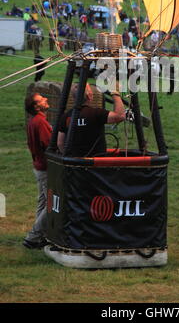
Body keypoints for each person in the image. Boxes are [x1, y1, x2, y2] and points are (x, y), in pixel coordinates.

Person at [57, 83, 125, 157]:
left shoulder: (66, 116)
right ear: (89, 96)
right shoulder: (96, 114)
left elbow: (60, 143)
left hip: (74, 163)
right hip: (96, 163)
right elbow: (120, 116)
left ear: (74, 98)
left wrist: (71, 158)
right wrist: (115, 94)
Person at [23, 93, 52, 249]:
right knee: (52, 203)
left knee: (43, 201)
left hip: (38, 166)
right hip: (46, 167)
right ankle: (33, 237)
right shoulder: (40, 122)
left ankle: (40, 235)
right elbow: (49, 144)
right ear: (36, 106)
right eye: (42, 100)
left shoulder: (33, 121)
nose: (46, 100)